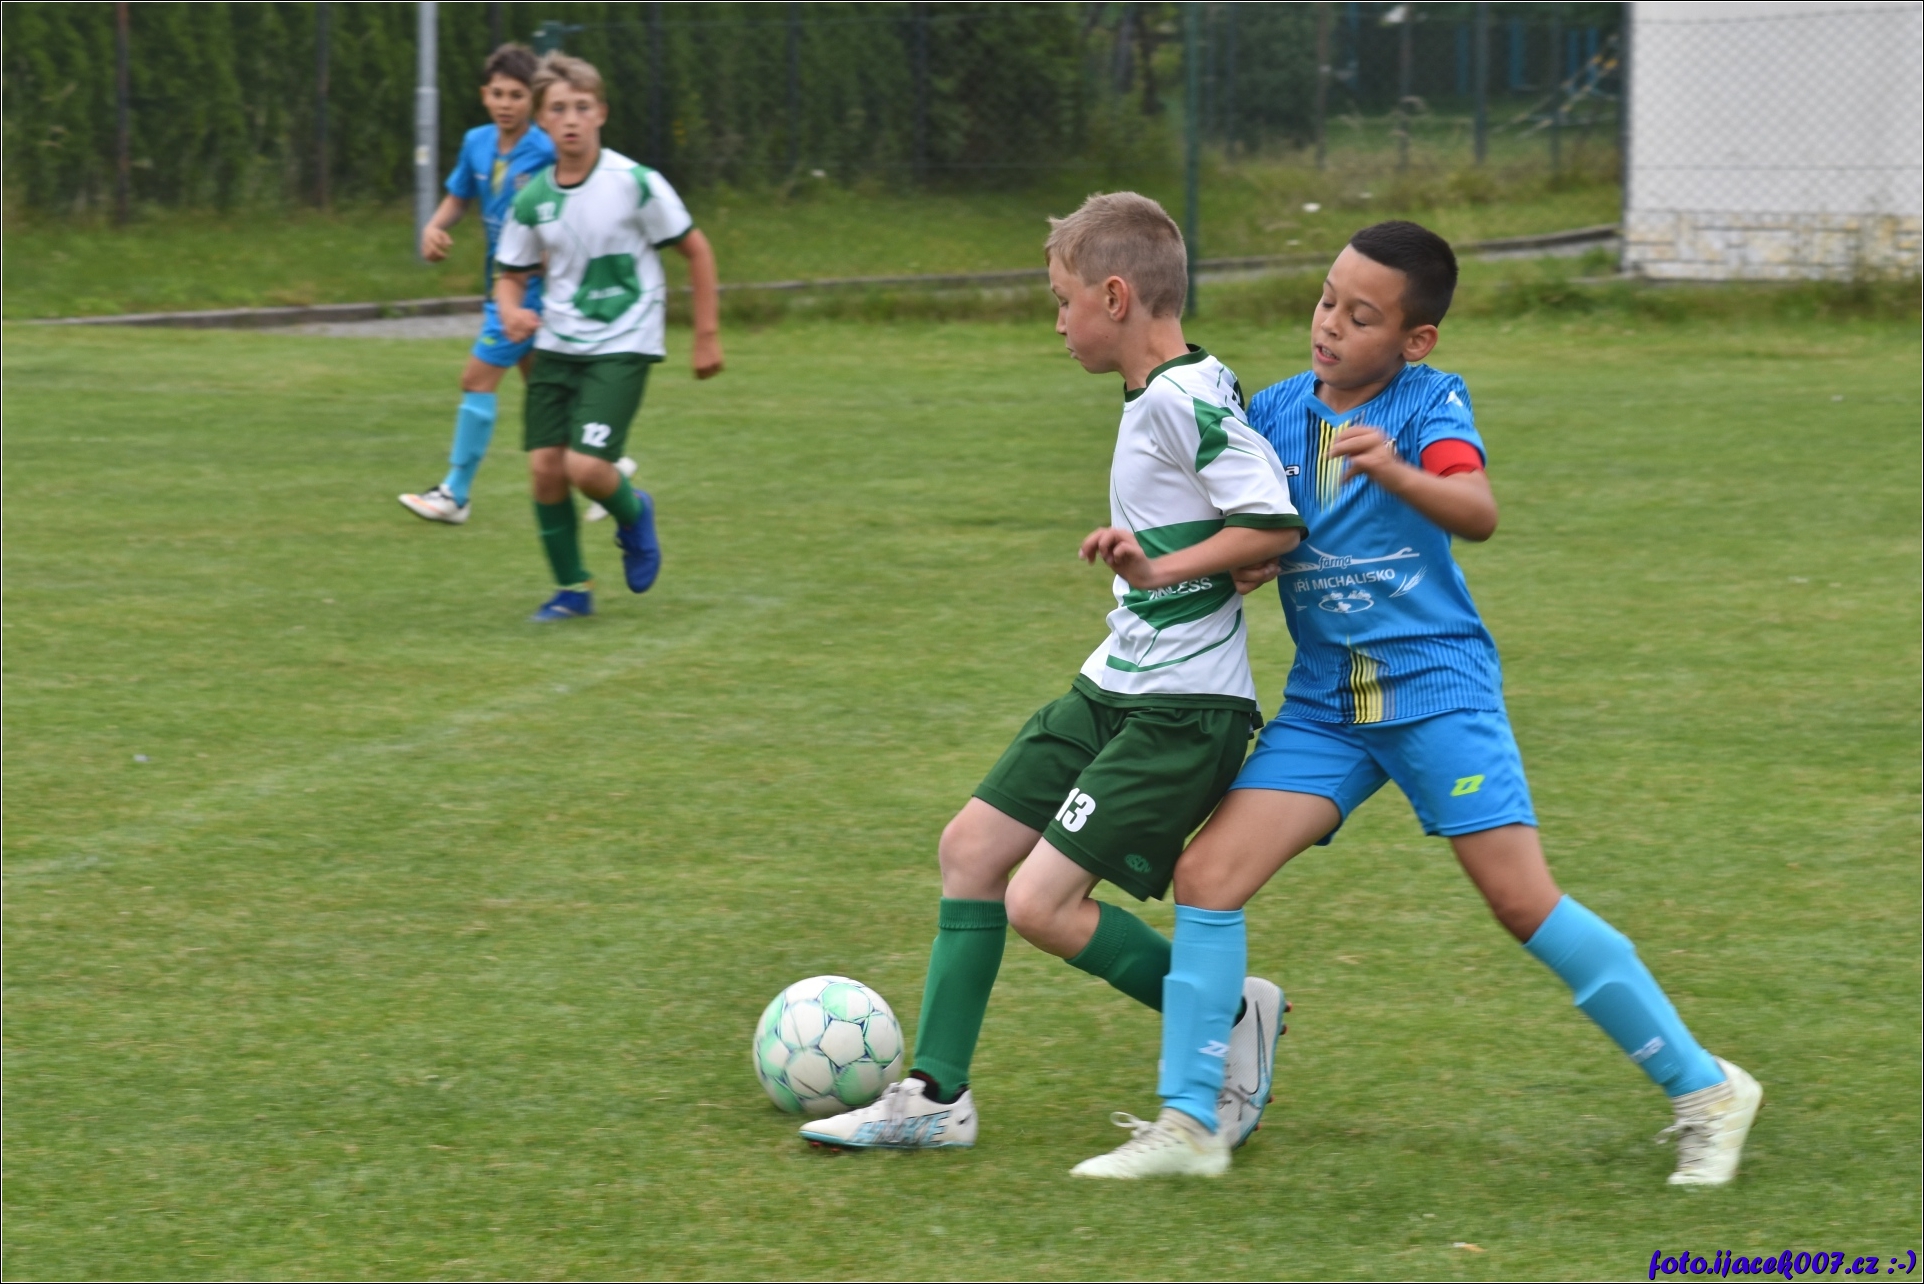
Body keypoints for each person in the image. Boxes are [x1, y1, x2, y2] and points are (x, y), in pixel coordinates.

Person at [1072, 220, 1762, 1183]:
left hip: (1437, 694)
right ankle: (1190, 1123)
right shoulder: (1273, 413)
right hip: (1327, 706)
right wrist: (1234, 565)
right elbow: (1255, 528)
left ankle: (1707, 1089)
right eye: (1326, 300)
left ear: (1416, 339)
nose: (1330, 325)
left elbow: (1477, 511)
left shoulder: (1432, 400)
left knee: (1520, 900)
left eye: (1361, 318)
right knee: (1208, 877)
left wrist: (1396, 469)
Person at [800, 193, 1306, 1151]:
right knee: (971, 849)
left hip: (1182, 709)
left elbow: (1273, 522)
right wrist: (1202, 559)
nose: (1059, 322)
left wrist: (1161, 568)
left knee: (1040, 903)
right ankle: (936, 1099)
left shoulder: (1184, 397)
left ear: (1115, 297)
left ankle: (1227, 1014)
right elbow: (1246, 527)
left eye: (1063, 301)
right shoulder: (1169, 392)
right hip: (1114, 684)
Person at [491, 53, 723, 621]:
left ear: (601, 113)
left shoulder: (635, 184)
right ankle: (572, 590)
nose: (570, 119)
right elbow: (510, 274)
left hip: (624, 342)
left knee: (586, 468)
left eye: (582, 107)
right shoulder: (532, 198)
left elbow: (696, 250)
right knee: (546, 469)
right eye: (558, 109)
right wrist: (512, 311)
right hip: (558, 345)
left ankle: (633, 511)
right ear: (542, 122)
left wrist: (706, 335)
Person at [399, 43, 555, 526]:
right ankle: (606, 466)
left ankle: (456, 493)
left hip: (531, 288)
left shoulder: (547, 149)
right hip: (499, 284)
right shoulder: (476, 143)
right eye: (498, 94)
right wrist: (433, 226)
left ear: (532, 100)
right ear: (484, 94)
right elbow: (459, 197)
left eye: (517, 95)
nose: (506, 104)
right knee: (545, 390)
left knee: (476, 379)